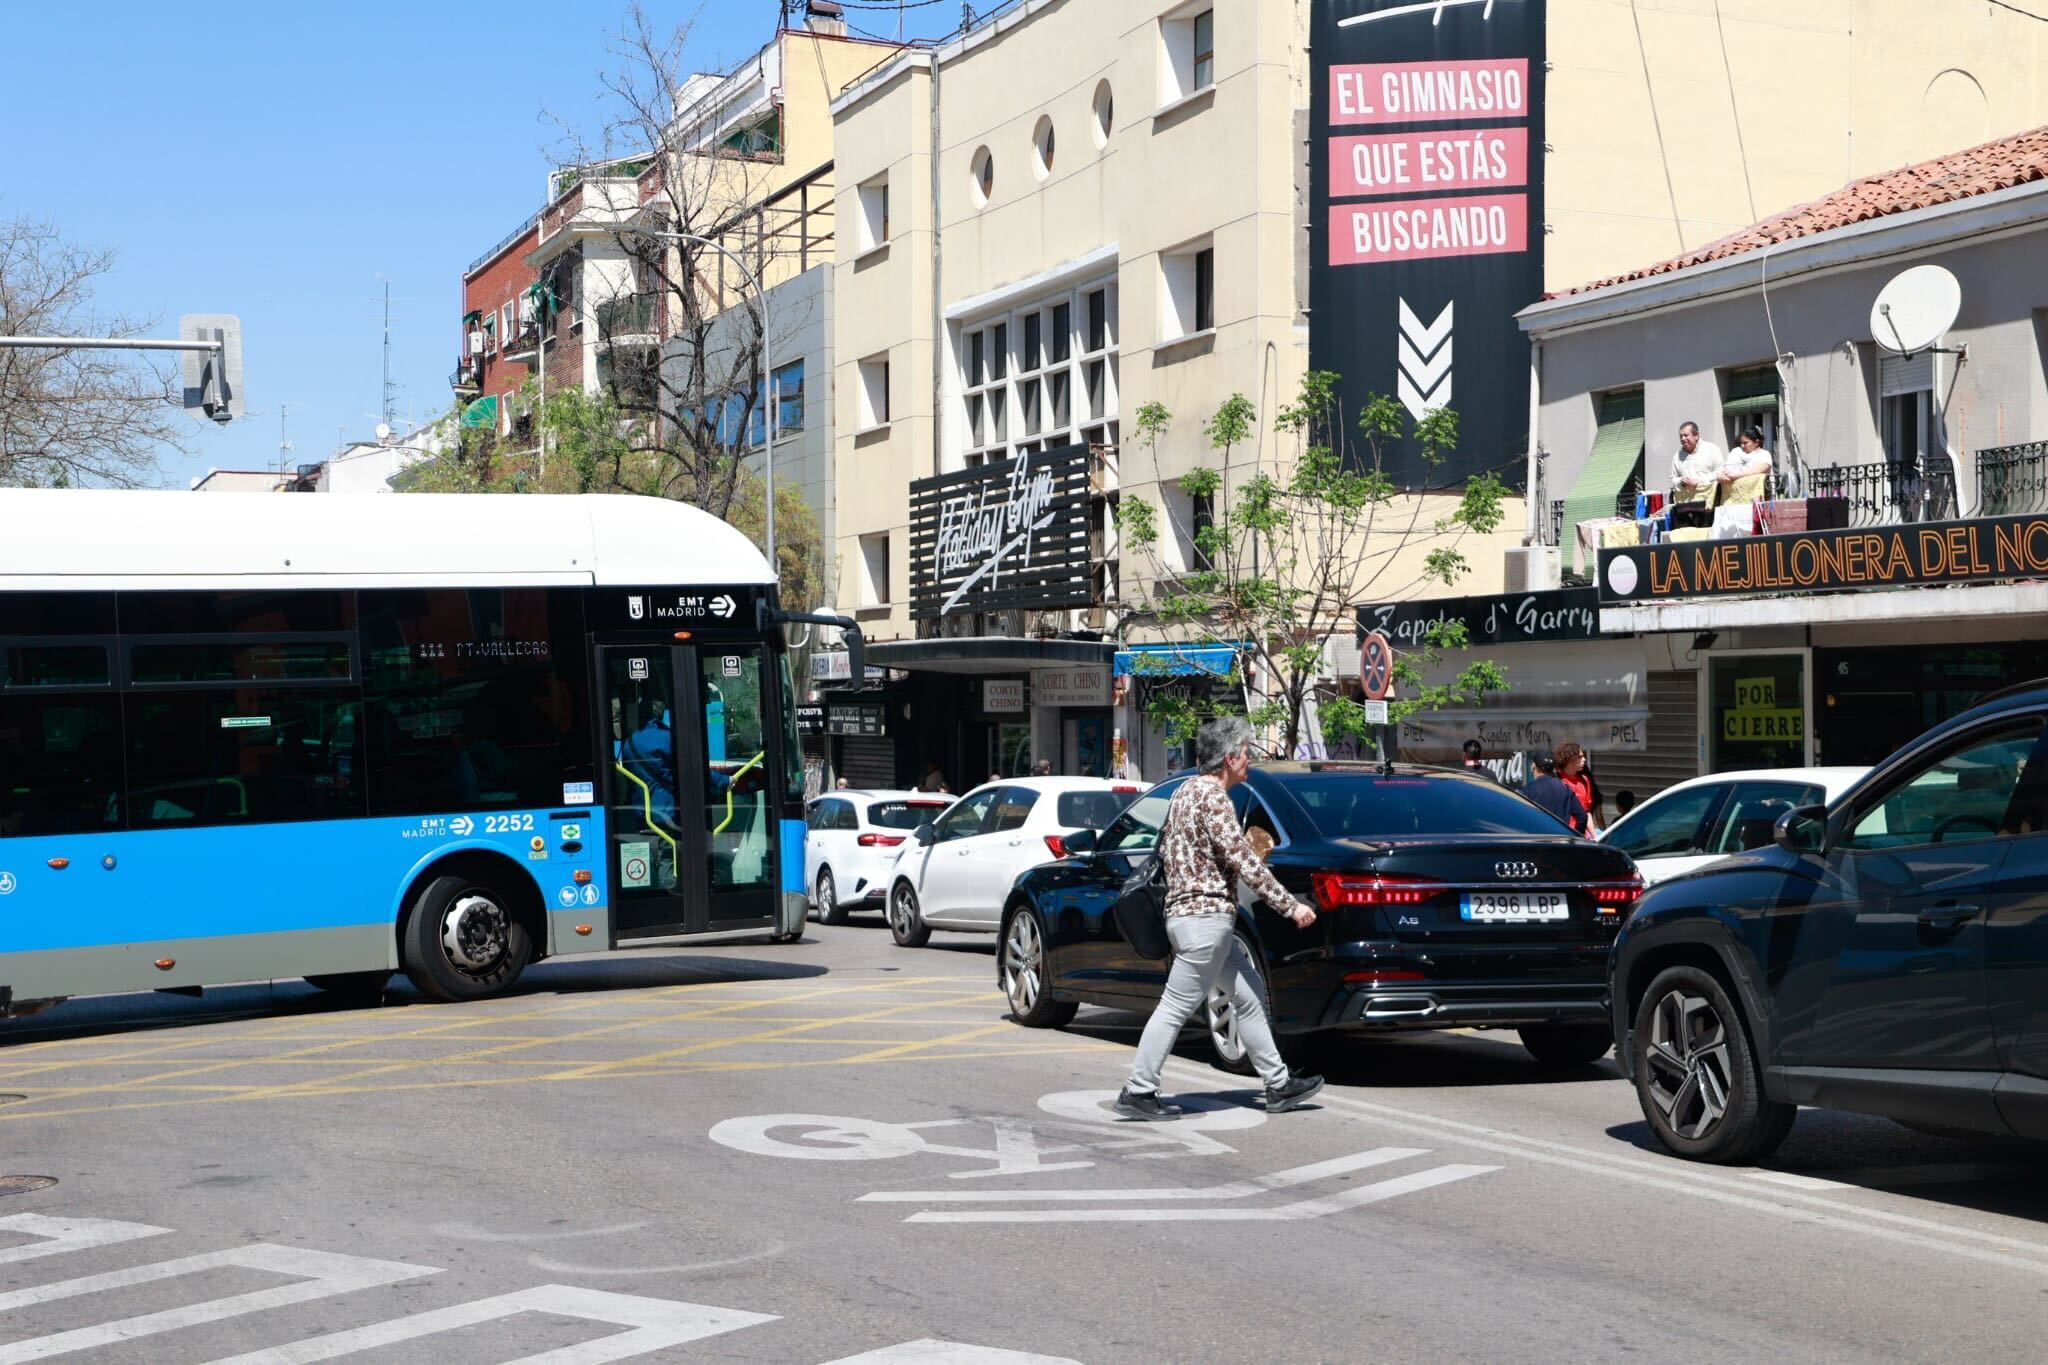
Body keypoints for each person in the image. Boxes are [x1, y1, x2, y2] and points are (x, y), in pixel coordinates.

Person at [1117, 715, 1325, 1121]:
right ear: (1230, 758)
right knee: (1175, 1006)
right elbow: (1242, 859)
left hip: (1194, 920)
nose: (1249, 760)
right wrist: (1292, 906)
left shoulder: (1182, 792)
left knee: (1247, 998)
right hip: (1204, 920)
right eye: (1246, 752)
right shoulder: (1213, 798)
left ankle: (1278, 1083)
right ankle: (1139, 1089)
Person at [1522, 751, 1588, 835]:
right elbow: (1582, 816)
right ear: (1553, 768)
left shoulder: (1527, 790)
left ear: (1534, 766)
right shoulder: (1565, 789)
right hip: (1560, 842)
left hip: (1537, 842)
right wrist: (1576, 836)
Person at [1555, 741, 1601, 836]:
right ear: (1569, 760)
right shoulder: (1557, 782)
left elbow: (1586, 812)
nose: (1584, 760)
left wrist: (1595, 836)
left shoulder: (1585, 780)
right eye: (1580, 757)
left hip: (1582, 836)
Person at [1672, 421, 1725, 499]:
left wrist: (1700, 482)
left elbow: (1720, 473)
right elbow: (1673, 479)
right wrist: (1681, 481)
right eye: (1681, 436)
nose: (1683, 439)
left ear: (1696, 435)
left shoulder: (1712, 449)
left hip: (1709, 501)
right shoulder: (1677, 456)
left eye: (1686, 435)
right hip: (1686, 504)